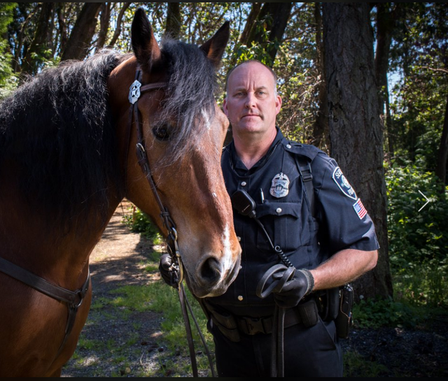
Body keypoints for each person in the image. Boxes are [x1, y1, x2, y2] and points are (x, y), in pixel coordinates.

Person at [159, 60, 379, 377]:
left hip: (304, 346)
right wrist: (179, 265)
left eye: (260, 92)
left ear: (276, 104)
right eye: (240, 93)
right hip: (231, 349)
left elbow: (365, 252)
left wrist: (311, 279)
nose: (251, 101)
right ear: (225, 106)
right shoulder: (202, 177)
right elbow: (197, 244)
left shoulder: (312, 167)